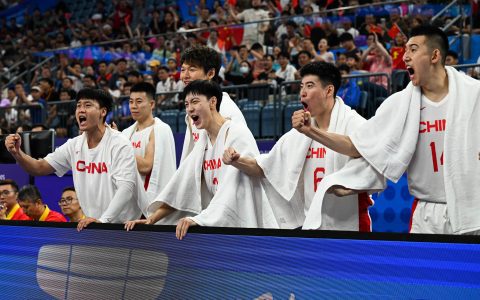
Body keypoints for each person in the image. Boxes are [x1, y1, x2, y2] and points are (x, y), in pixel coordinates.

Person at [297, 25, 480, 235]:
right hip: (427, 212)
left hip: (473, 208)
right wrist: (311, 131)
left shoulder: (474, 94)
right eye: (405, 50)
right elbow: (356, 146)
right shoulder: (399, 104)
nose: (405, 56)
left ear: (435, 55)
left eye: (413, 49)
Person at [223, 62, 381, 230]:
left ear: (329, 90)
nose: (302, 93)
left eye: (310, 86)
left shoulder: (354, 123)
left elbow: (358, 148)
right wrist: (237, 160)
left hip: (351, 224)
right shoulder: (300, 134)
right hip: (312, 226)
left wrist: (311, 131)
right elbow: (265, 167)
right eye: (301, 86)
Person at [125, 80, 276, 238]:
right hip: (219, 225)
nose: (190, 109)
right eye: (186, 104)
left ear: (212, 102)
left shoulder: (237, 133)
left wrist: (202, 219)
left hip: (247, 226)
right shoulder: (203, 141)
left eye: (195, 102)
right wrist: (151, 219)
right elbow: (181, 187)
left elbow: (240, 184)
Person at [4, 88, 145, 230]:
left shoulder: (120, 143)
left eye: (88, 105)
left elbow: (126, 188)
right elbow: (39, 167)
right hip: (95, 225)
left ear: (103, 112)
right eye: (79, 106)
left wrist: (103, 220)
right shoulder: (74, 145)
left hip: (126, 227)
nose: (81, 110)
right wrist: (17, 153)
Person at [179, 45, 246, 162]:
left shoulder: (226, 110)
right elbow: (190, 158)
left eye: (192, 69)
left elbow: (239, 158)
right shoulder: (193, 109)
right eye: (183, 69)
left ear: (210, 74)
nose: (185, 76)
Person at [121, 82, 176, 207]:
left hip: (149, 202)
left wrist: (119, 149)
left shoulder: (160, 129)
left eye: (139, 101)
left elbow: (146, 167)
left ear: (152, 104)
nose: (133, 106)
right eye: (131, 102)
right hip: (130, 202)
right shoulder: (126, 133)